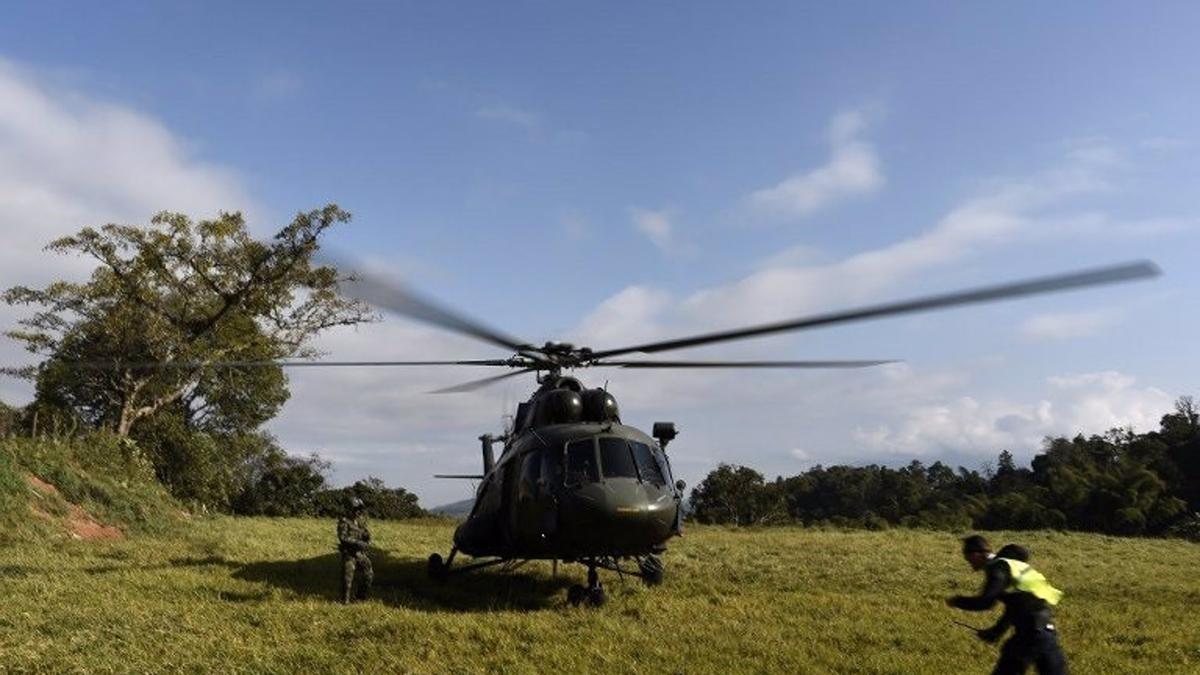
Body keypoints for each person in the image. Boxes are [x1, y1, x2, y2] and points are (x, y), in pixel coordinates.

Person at [947, 535, 1068, 674]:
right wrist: (996, 631)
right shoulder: (1013, 566)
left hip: (1029, 635)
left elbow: (986, 602)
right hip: (1046, 632)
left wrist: (958, 601)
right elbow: (1017, 605)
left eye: (968, 558)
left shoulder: (999, 568)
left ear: (976, 553)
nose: (970, 564)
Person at [337, 497, 373, 603]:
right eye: (356, 509)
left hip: (360, 553)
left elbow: (366, 534)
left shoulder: (360, 522)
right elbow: (342, 537)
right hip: (349, 553)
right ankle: (345, 601)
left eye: (360, 509)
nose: (358, 512)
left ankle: (360, 597)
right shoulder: (344, 521)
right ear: (350, 509)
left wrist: (367, 538)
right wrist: (357, 542)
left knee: (368, 575)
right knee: (348, 579)